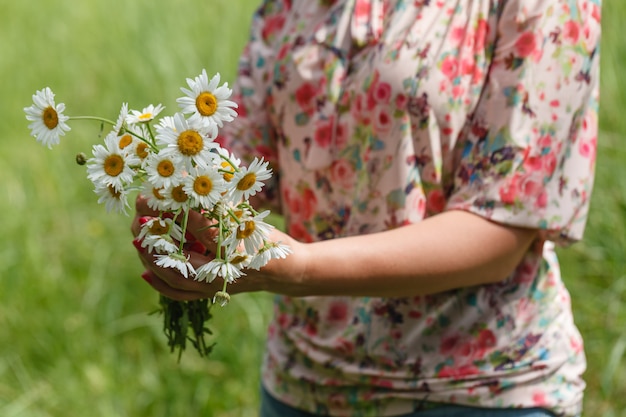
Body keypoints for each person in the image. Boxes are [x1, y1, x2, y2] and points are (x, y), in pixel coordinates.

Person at [131, 0, 601, 416]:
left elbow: (502, 231)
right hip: (302, 384)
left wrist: (298, 267)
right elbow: (251, 165)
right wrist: (186, 206)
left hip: (476, 390)